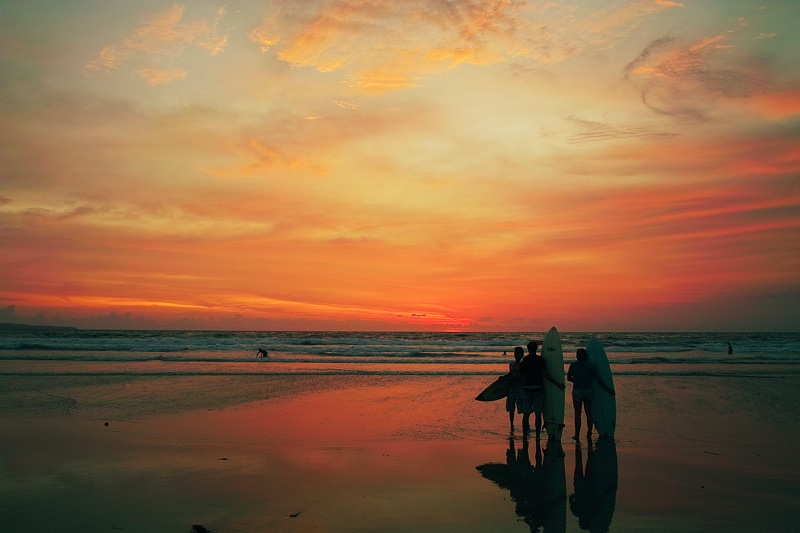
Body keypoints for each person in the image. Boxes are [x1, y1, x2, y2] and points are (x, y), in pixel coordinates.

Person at [520, 340, 565, 439]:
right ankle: (537, 436)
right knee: (538, 414)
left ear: (528, 349)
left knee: (526, 414)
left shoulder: (525, 360)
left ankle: (524, 435)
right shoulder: (540, 360)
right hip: (538, 388)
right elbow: (545, 374)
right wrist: (557, 384)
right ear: (536, 349)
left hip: (527, 389)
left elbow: (521, 375)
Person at [567, 347, 615, 441]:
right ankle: (589, 432)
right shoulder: (590, 365)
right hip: (588, 391)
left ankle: (577, 435)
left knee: (578, 414)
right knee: (589, 413)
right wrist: (608, 389)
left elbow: (568, 378)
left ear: (577, 356)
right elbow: (598, 379)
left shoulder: (573, 365)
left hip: (577, 391)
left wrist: (576, 380)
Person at [506, 347, 526, 432]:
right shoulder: (511, 364)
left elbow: (521, 377)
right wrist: (503, 378)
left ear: (522, 355)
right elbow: (510, 374)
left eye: (518, 353)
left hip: (520, 389)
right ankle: (512, 425)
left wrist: (508, 379)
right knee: (511, 409)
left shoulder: (523, 365)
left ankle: (525, 425)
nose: (516, 354)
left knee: (523, 409)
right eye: (515, 353)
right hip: (511, 389)